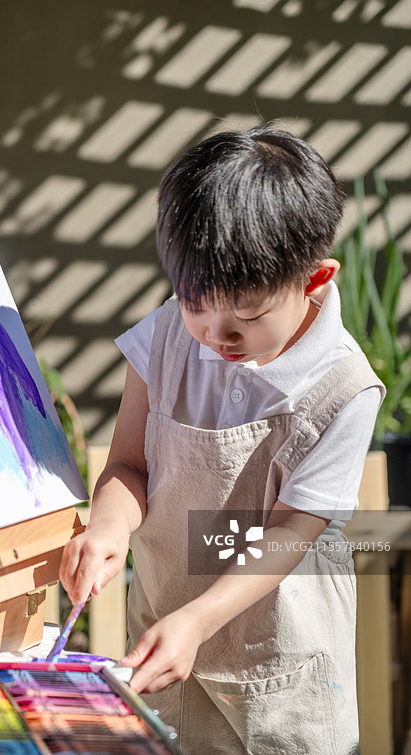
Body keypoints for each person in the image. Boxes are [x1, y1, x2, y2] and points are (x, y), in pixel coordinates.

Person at [60, 126, 385, 754]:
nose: (215, 333)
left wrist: (200, 619)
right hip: (165, 641)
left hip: (281, 662)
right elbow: (129, 464)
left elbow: (292, 534)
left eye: (249, 314)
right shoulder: (163, 338)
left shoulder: (345, 389)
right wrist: (107, 527)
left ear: (314, 280)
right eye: (194, 303)